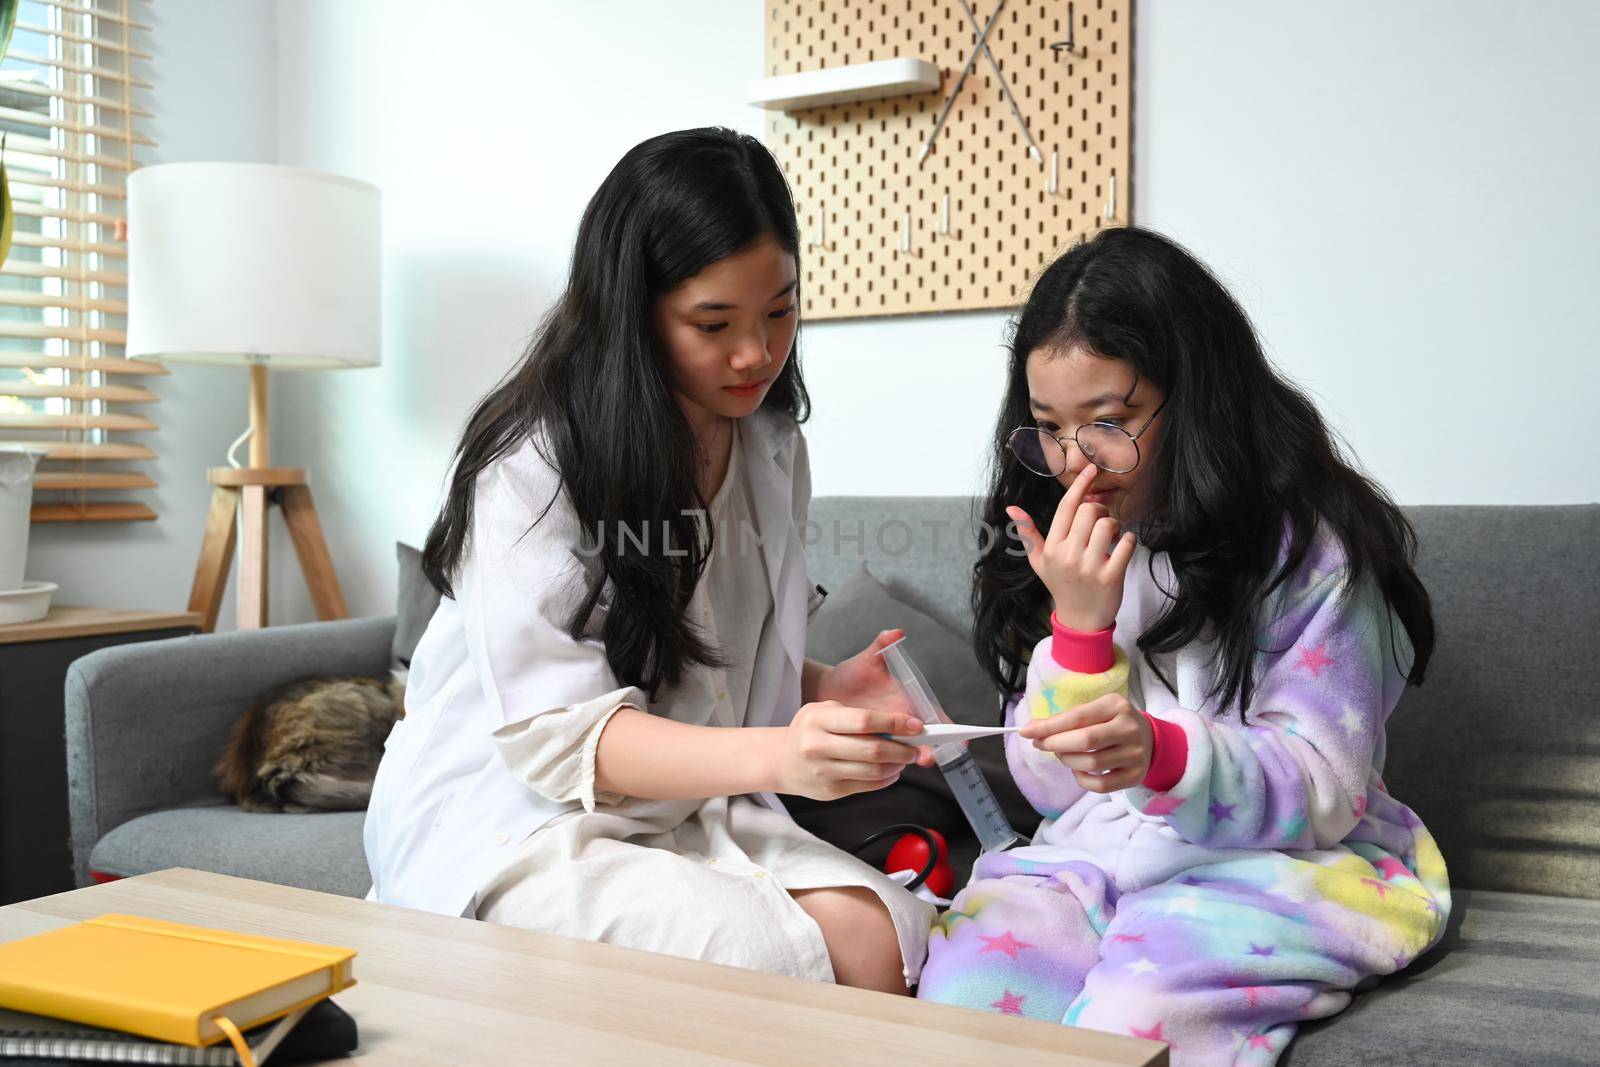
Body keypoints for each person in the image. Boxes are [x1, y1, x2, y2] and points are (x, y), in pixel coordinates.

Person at [364, 127, 935, 994]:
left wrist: (818, 685)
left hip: (688, 797)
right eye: (714, 323)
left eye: (779, 311)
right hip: (519, 814)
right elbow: (562, 737)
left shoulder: (770, 444)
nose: (757, 354)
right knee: (781, 963)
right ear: (632, 312)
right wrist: (784, 752)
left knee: (889, 938)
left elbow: (702, 655)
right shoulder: (532, 462)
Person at [917, 226, 1450, 1061]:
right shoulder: (1061, 540)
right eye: (1049, 427)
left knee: (1139, 1007)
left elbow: (1324, 786)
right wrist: (1080, 632)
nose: (1074, 463)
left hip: (1283, 864)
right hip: (1086, 859)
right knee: (963, 994)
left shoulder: (1314, 550)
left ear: (1195, 398)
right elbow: (1050, 789)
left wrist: (1162, 755)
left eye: (1109, 420)